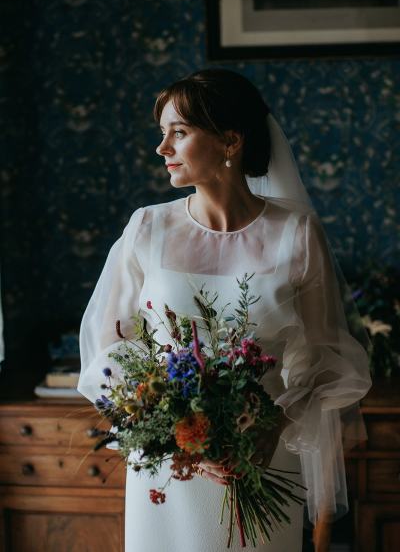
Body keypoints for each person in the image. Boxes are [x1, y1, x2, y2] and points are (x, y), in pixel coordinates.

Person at [77, 68, 372, 551]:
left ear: (230, 141)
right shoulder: (147, 228)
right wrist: (173, 427)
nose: (162, 148)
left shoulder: (296, 232)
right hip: (168, 464)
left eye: (180, 132)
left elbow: (326, 360)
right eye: (162, 134)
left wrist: (271, 427)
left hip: (261, 458)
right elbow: (111, 347)